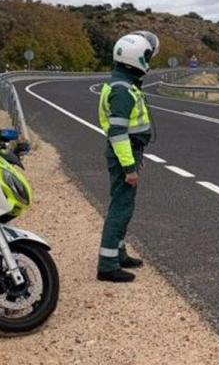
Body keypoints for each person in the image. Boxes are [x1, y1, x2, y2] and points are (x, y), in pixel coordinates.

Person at [96, 31, 159, 283]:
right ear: (137, 59)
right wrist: (129, 166)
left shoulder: (123, 83)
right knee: (120, 208)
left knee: (125, 205)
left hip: (130, 151)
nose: (149, 60)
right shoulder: (122, 90)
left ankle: (118, 253)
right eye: (147, 55)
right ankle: (108, 264)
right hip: (124, 152)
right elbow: (118, 133)